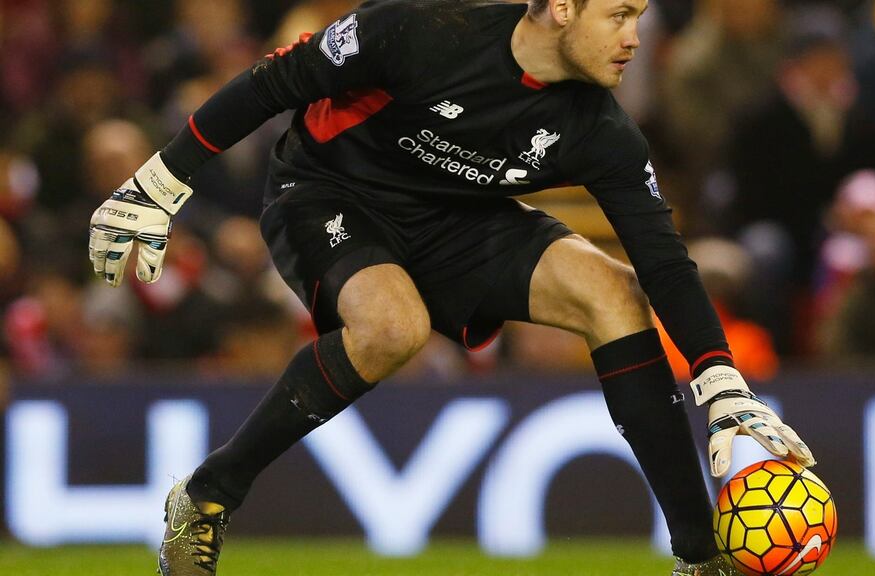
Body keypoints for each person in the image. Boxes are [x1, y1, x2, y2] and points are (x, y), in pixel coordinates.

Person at [86, 1, 815, 575]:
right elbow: (275, 78)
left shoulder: (602, 130)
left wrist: (719, 378)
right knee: (392, 327)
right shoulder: (425, 31)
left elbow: (664, 259)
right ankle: (208, 496)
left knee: (616, 292)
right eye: (620, 15)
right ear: (560, 7)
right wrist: (161, 181)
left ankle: (698, 557)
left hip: (456, 217)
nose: (635, 38)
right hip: (329, 189)